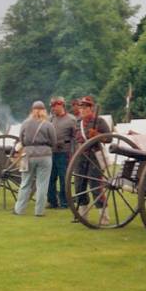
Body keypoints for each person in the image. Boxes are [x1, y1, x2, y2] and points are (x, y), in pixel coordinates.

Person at [13, 101, 56, 216]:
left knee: (25, 183)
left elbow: (21, 140)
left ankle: (19, 210)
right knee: (42, 185)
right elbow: (53, 142)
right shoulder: (48, 125)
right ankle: (39, 211)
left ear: (32, 110)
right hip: (45, 156)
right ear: (44, 111)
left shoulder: (25, 123)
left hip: (28, 155)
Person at [73, 96, 112, 224]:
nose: (83, 109)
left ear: (91, 108)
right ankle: (82, 215)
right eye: (81, 107)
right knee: (79, 186)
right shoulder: (78, 123)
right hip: (81, 156)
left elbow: (109, 138)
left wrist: (97, 136)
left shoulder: (99, 121)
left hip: (94, 156)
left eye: (85, 107)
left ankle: (104, 217)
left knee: (95, 186)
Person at [46, 96, 76, 209]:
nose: (54, 109)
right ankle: (52, 201)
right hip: (51, 153)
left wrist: (73, 152)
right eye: (52, 106)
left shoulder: (71, 119)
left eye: (55, 106)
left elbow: (75, 138)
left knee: (64, 179)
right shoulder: (50, 119)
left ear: (61, 105)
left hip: (65, 153)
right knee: (50, 178)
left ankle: (64, 202)